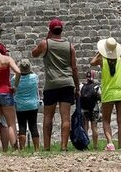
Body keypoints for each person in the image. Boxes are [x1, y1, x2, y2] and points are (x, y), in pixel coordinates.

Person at [31, 18, 80, 151]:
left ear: (50, 30)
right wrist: (77, 86)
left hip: (52, 84)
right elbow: (74, 68)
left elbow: (34, 53)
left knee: (48, 116)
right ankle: (63, 146)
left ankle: (47, 147)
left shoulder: (45, 44)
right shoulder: (70, 46)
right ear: (61, 30)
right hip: (67, 83)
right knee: (65, 117)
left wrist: (46, 38)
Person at [91, 37, 121, 151]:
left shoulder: (102, 60)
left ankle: (110, 143)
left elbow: (92, 62)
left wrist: (99, 53)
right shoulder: (119, 58)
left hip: (108, 93)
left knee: (106, 120)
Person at [13, 58, 40, 151]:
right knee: (33, 126)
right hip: (33, 105)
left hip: (20, 105)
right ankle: (37, 148)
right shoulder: (34, 77)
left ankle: (22, 148)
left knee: (22, 126)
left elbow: (13, 88)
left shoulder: (15, 78)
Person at [79, 70, 100, 150]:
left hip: (84, 109)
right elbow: (100, 96)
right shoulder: (96, 86)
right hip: (94, 108)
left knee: (85, 127)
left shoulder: (81, 86)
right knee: (94, 127)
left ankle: (85, 145)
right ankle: (95, 146)